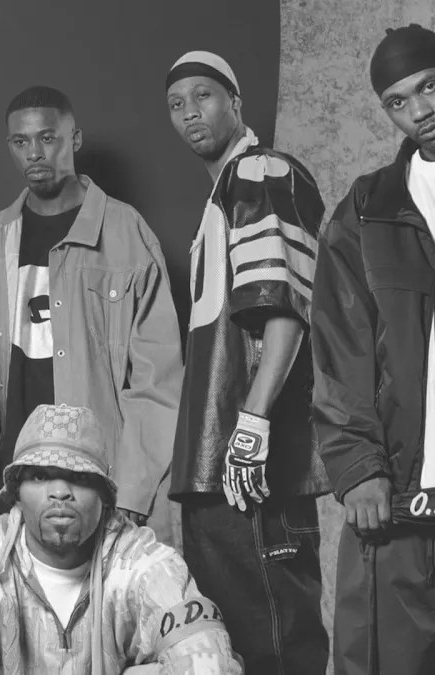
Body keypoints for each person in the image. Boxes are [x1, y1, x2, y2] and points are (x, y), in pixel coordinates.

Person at [0, 86, 182, 545]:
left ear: (74, 139)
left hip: (98, 481)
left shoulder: (127, 235)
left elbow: (157, 378)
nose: (34, 153)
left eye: (47, 138)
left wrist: (135, 484)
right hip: (3, 484)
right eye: (20, 141)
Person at [164, 51, 330, 674]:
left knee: (275, 643)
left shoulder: (258, 170)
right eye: (176, 104)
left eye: (203, 96)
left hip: (246, 461)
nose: (189, 113)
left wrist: (253, 422)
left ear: (236, 101)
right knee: (230, 644)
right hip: (214, 464)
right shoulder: (225, 190)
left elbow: (284, 305)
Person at [0, 404, 242, 675]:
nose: (60, 492)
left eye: (79, 477)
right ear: (16, 493)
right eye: (40, 476)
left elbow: (208, 657)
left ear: (104, 496)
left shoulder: (145, 561)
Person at [311, 24, 435, 675]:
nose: (420, 109)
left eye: (430, 86)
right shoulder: (367, 208)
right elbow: (340, 344)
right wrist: (358, 464)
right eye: (398, 100)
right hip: (405, 496)